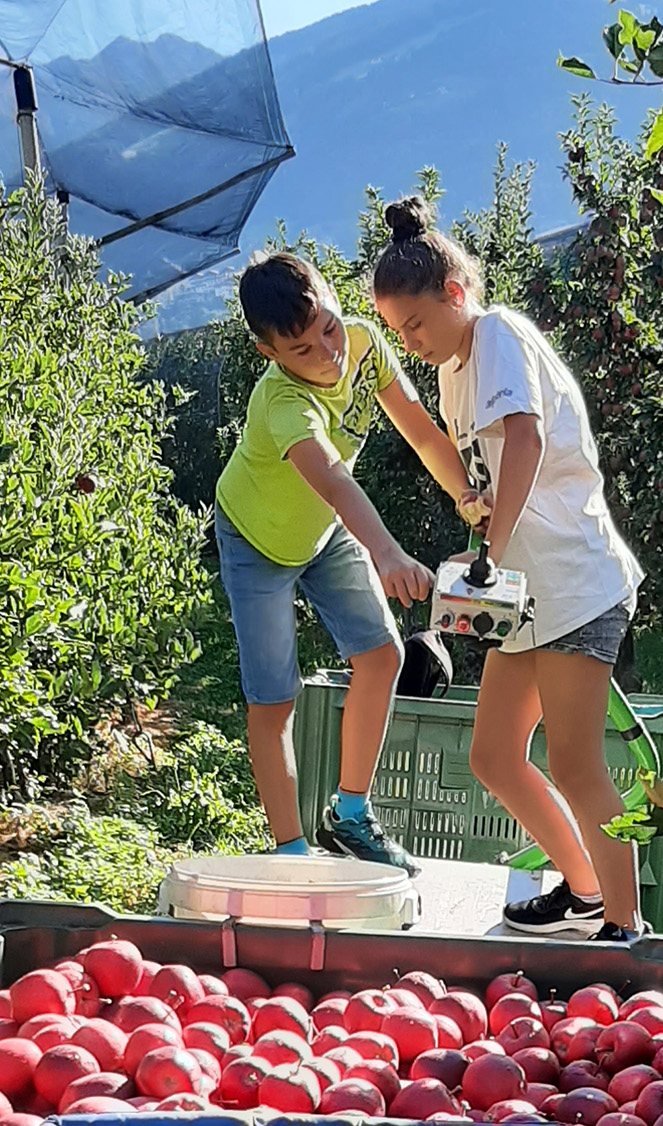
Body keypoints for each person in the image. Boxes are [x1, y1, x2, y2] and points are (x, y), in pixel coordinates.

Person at [372, 196, 647, 943]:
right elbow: (498, 471)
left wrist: (490, 551)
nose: (413, 340)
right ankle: (585, 891)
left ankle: (624, 925)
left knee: (576, 763)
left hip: (576, 586)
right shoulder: (456, 366)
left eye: (417, 324)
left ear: (456, 293)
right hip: (528, 595)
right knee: (494, 755)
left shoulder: (495, 333)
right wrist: (480, 520)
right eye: (398, 332)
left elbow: (524, 441)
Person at [216, 251, 482, 869]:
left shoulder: (364, 346)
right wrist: (386, 552)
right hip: (257, 542)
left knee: (382, 655)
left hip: (323, 533)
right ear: (271, 354)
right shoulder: (283, 404)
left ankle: (351, 815)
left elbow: (419, 430)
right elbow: (335, 481)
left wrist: (470, 495)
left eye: (329, 329)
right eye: (303, 349)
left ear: (339, 303)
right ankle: (291, 851)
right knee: (273, 700)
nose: (327, 353)